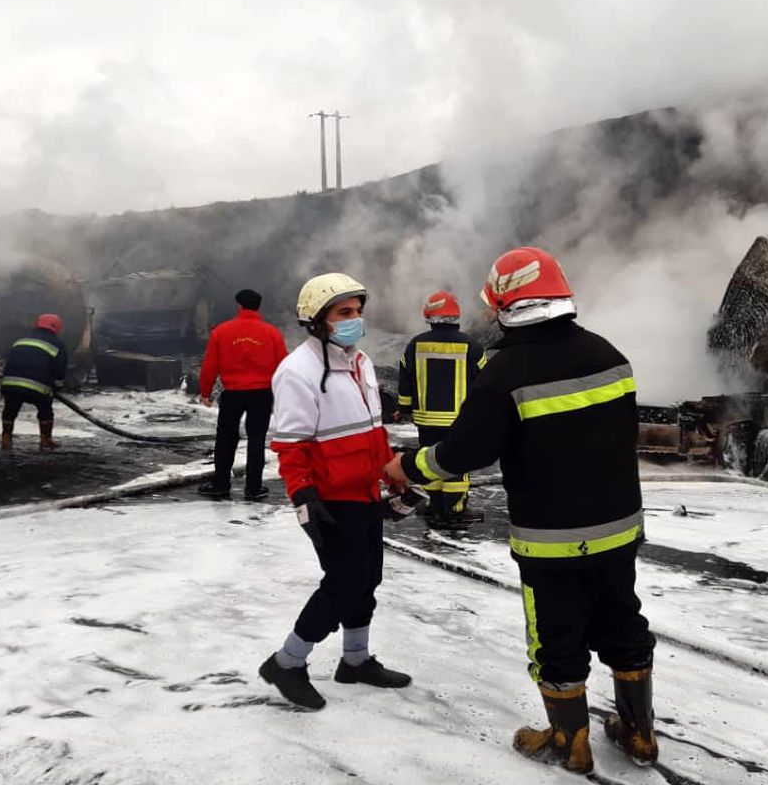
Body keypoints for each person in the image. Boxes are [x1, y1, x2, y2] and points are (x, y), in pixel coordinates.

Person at [385, 247, 657, 774]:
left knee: (555, 634)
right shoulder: (609, 353)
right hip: (619, 527)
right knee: (623, 621)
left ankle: (568, 741)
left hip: (550, 537)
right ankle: (640, 734)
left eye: (493, 306)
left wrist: (408, 466)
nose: (488, 316)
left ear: (507, 306)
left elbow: (464, 453)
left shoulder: (506, 372)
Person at [259, 272, 411, 711]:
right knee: (343, 583)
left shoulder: (359, 363)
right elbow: (291, 446)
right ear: (317, 320)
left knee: (368, 580)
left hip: (364, 492)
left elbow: (371, 429)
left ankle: (356, 661)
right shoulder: (297, 372)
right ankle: (287, 663)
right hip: (329, 498)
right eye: (345, 313)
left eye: (358, 311)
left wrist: (392, 473)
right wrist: (304, 498)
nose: (355, 320)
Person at [396, 290, 485, 526]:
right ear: (456, 316)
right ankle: (454, 509)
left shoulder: (415, 345)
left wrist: (403, 408)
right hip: (458, 420)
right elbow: (485, 383)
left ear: (429, 316)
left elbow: (405, 380)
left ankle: (434, 505)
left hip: (425, 419)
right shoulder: (472, 346)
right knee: (457, 462)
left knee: (428, 460)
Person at [198, 289, 288, 500]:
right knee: (256, 440)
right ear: (259, 306)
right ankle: (254, 488)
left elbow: (210, 365)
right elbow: (284, 366)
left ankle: (220, 484)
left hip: (233, 394)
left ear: (238, 305)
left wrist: (205, 392)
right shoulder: (271, 333)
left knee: (225, 439)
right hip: (262, 394)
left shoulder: (221, 331)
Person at [0, 313, 68, 451]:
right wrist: (57, 386)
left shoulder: (20, 341)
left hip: (10, 384)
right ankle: (46, 439)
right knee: (45, 410)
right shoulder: (57, 344)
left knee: (10, 409)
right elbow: (60, 369)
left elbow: (10, 362)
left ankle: (6, 439)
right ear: (57, 327)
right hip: (37, 387)